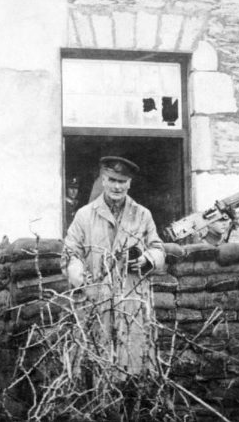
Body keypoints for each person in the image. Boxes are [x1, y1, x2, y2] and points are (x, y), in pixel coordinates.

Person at [62, 156, 165, 388]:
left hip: (132, 302)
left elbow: (158, 249)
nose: (117, 186)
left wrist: (147, 260)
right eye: (112, 180)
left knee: (134, 365)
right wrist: (77, 272)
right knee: (96, 363)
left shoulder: (142, 214)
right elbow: (70, 253)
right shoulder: (85, 215)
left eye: (123, 181)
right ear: (103, 179)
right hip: (96, 301)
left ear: (129, 183)